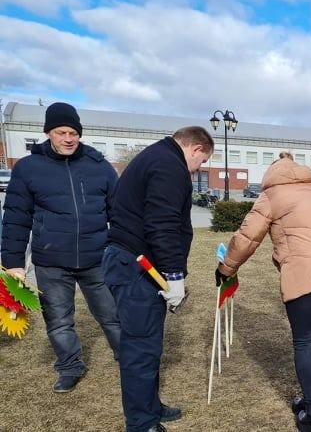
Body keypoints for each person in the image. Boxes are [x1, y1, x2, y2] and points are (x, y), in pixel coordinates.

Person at [215, 155, 311, 432]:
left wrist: (226, 268)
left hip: (305, 277)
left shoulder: (272, 195)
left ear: (272, 174)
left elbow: (247, 237)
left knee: (305, 342)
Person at [1, 102, 121, 393]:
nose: (68, 138)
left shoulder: (99, 167)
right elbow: (16, 218)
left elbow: (119, 213)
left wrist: (123, 250)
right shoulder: (28, 169)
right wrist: (12, 262)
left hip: (96, 258)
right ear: (48, 133)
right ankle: (70, 366)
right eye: (61, 132)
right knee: (58, 320)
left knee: (113, 315)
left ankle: (129, 358)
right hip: (51, 261)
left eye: (73, 133)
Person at [101, 126, 213, 432]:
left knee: (149, 342)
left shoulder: (156, 157)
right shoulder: (169, 166)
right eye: (201, 163)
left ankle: (149, 406)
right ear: (196, 149)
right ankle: (141, 423)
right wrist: (174, 275)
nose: (198, 169)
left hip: (136, 263)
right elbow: (162, 224)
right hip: (135, 267)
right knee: (140, 347)